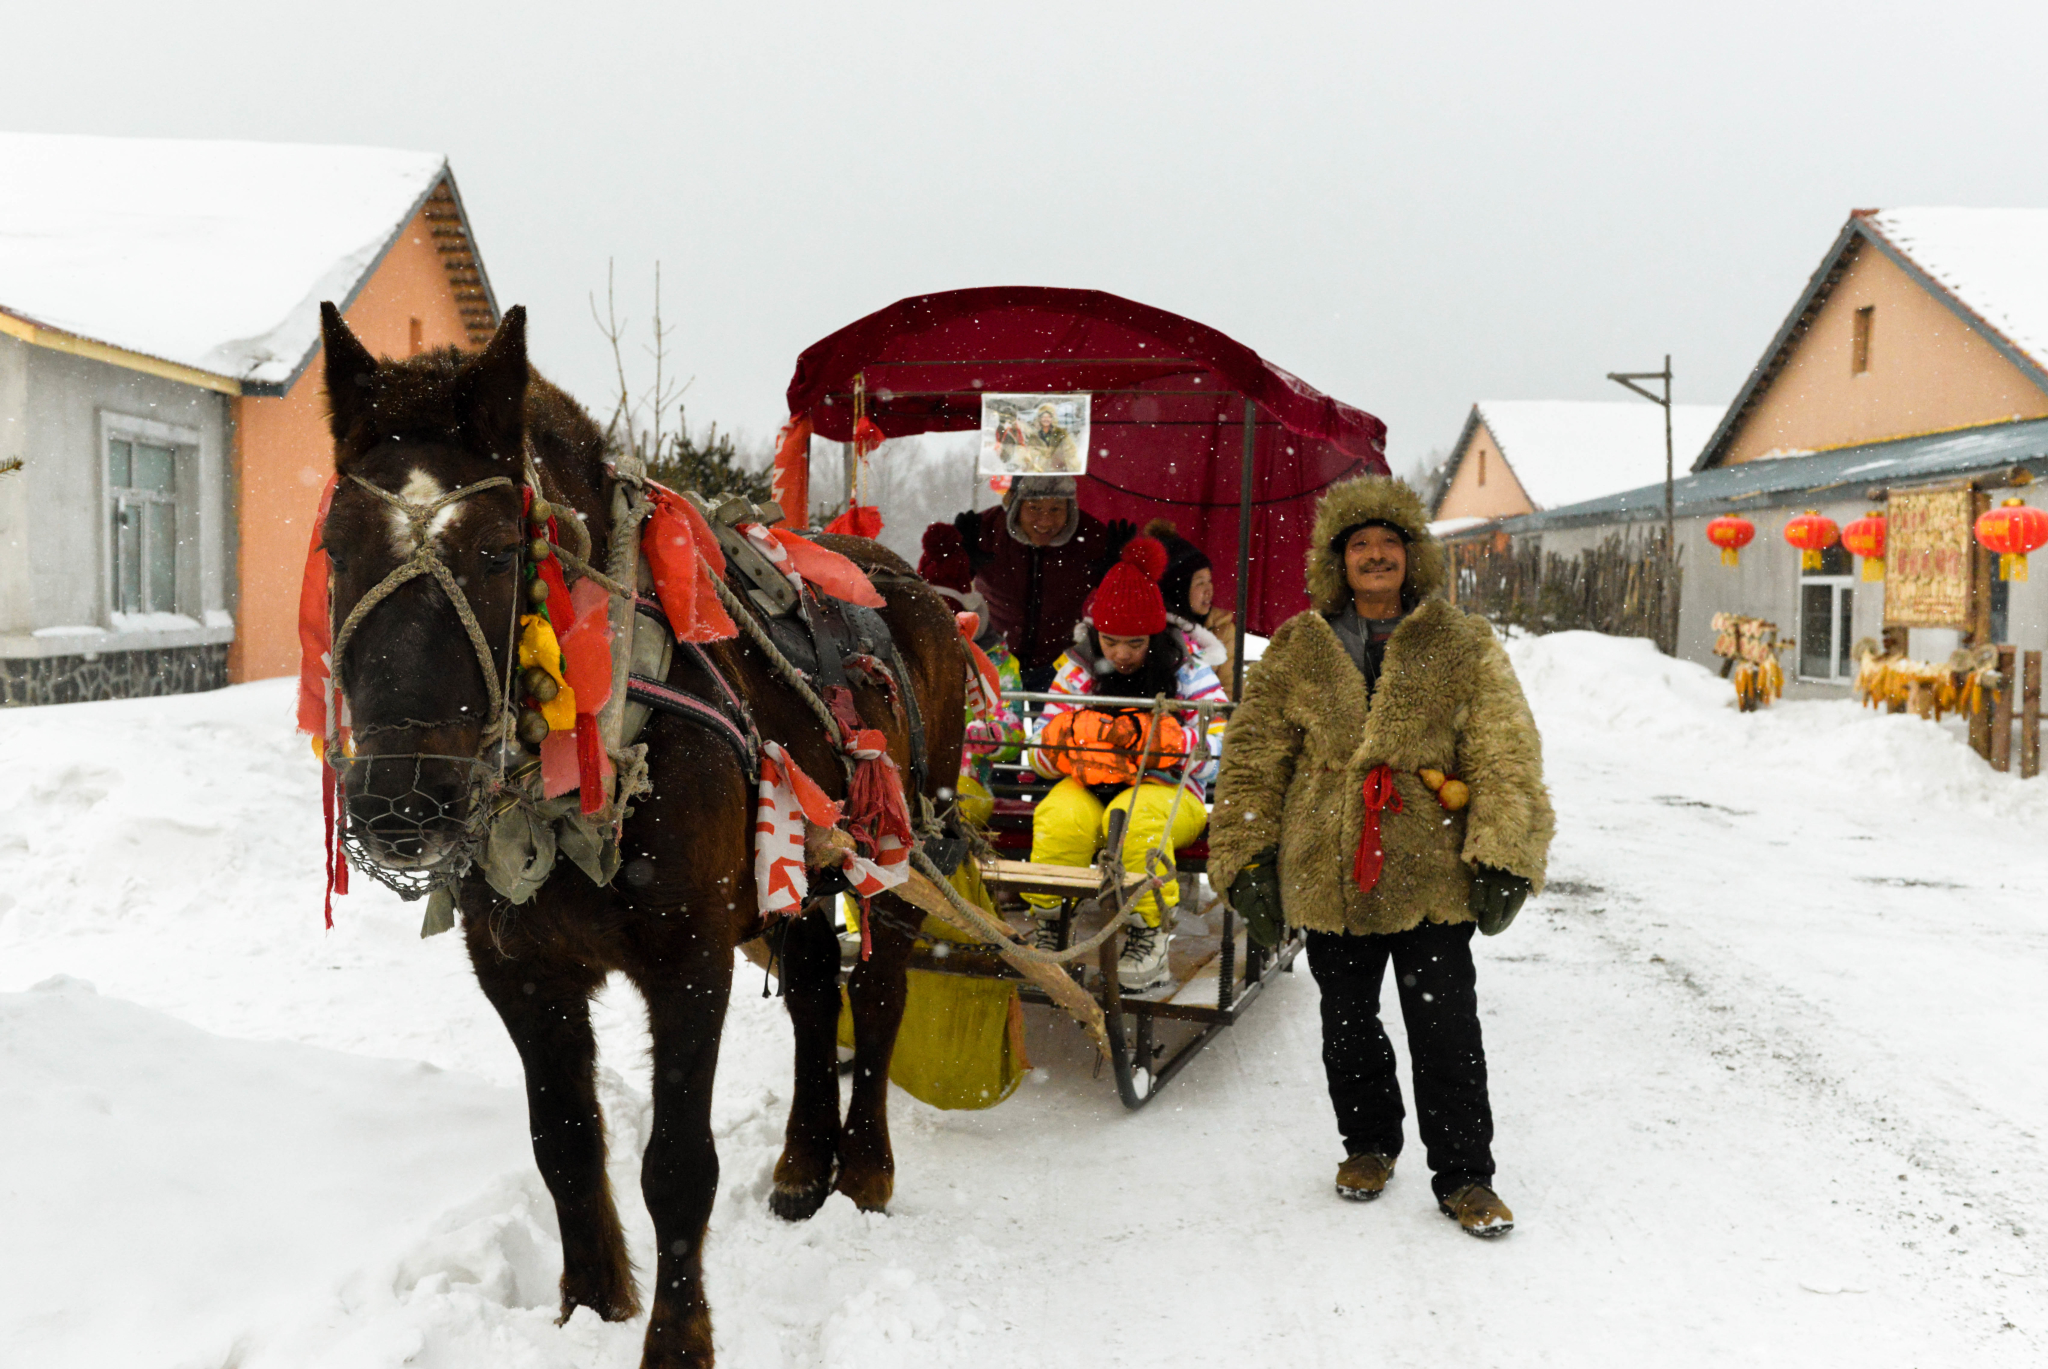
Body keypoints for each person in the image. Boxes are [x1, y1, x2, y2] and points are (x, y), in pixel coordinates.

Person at [1207, 476, 1553, 1238]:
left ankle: (1465, 1175)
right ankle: (1367, 1143)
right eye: (1359, 544)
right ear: (1339, 559)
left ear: (1411, 555)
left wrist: (1505, 849)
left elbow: (1504, 747)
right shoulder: (1302, 644)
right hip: (1328, 868)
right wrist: (1247, 855)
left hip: (1431, 867)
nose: (1373, 556)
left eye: (1387, 544)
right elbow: (1256, 754)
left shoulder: (1459, 641)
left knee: (1446, 1024)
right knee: (1348, 1020)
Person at [1024, 536, 1227, 991]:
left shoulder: (1188, 672)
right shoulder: (1076, 670)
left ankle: (1148, 932)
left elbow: (1220, 744)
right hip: (1089, 783)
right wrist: (1065, 742)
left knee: (1136, 822)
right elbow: (1039, 751)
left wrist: (1177, 744)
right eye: (1110, 641)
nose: (1120, 654)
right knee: (1059, 818)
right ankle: (1052, 921)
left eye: (1134, 643)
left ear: (1154, 636)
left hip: (1167, 791)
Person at [953, 475, 1130, 691]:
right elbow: (945, 591)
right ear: (1016, 505)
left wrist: (1118, 572)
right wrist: (958, 560)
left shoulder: (1092, 536)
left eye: (1056, 509)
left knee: (1058, 725)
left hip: (1060, 661)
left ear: (1070, 508)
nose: (1045, 521)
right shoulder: (985, 529)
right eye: (1034, 508)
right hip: (994, 656)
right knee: (987, 725)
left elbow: (1124, 602)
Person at [1144, 519, 1236, 695]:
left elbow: (1230, 690)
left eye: (1210, 581)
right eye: (1200, 583)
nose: (1209, 590)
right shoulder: (1150, 629)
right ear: (1177, 589)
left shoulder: (1222, 629)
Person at [1023, 402, 1081, 472]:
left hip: (1058, 473)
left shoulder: (1061, 434)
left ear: (1053, 418)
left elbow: (1071, 454)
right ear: (1039, 418)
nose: (1046, 419)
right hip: (1039, 474)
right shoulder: (1034, 436)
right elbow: (1029, 458)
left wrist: (1074, 469)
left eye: (1049, 416)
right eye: (1043, 417)